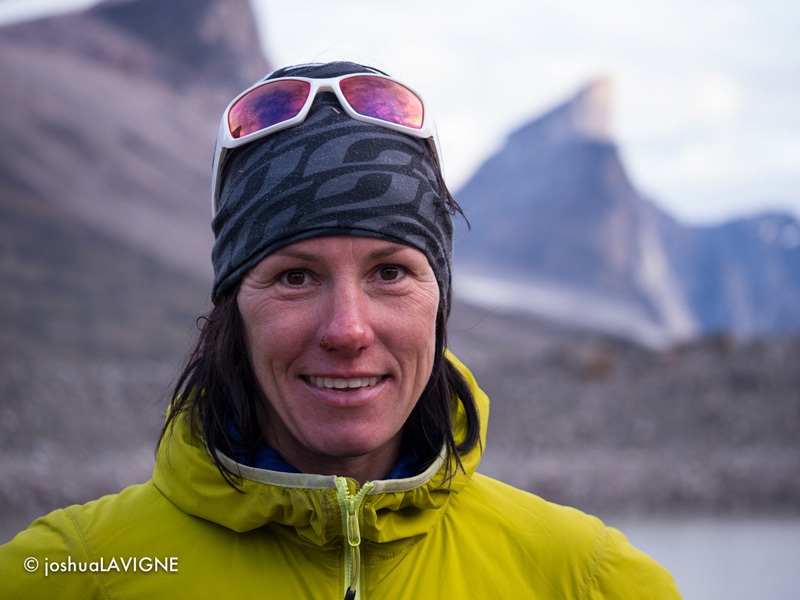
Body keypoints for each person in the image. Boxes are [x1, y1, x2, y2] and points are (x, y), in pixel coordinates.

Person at [0, 61, 682, 598]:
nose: (348, 330)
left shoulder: (591, 583)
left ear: (439, 302)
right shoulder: (67, 577)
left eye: (390, 273)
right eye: (296, 276)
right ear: (232, 306)